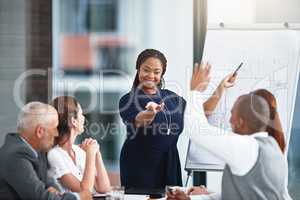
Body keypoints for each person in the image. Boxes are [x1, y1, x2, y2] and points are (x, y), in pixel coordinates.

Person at [167, 64, 292, 200]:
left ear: (240, 122)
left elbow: (198, 132)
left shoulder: (248, 148)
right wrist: (192, 198)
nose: (229, 119)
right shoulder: (273, 147)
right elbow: (241, 195)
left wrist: (195, 90)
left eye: (232, 113)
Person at [119, 49, 236, 189]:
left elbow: (200, 112)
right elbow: (140, 119)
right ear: (138, 69)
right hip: (140, 166)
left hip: (170, 164)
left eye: (156, 72)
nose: (151, 75)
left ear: (162, 74)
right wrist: (150, 112)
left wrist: (221, 87)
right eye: (146, 70)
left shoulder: (172, 98)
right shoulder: (128, 100)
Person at [0, 102, 89, 200]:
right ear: (40, 131)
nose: (57, 133)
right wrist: (78, 197)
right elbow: (40, 196)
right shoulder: (15, 156)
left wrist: (55, 194)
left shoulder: (37, 151)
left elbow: (49, 184)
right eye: (55, 128)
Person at [47, 96, 111, 195]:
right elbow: (84, 191)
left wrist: (96, 153)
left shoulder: (79, 151)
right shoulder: (54, 154)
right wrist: (90, 155)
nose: (84, 118)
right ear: (73, 121)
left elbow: (104, 188)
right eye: (81, 114)